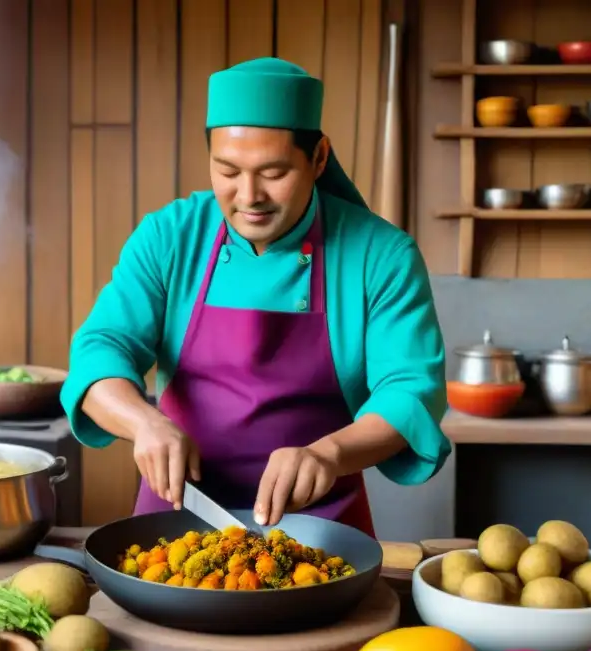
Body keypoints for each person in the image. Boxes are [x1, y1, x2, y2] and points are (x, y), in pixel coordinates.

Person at [60, 57, 450, 537]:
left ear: (319, 158)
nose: (249, 196)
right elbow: (100, 350)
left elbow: (411, 389)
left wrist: (328, 454)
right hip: (175, 523)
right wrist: (143, 422)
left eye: (273, 172)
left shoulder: (381, 255)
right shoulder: (170, 237)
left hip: (319, 530)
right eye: (227, 171)